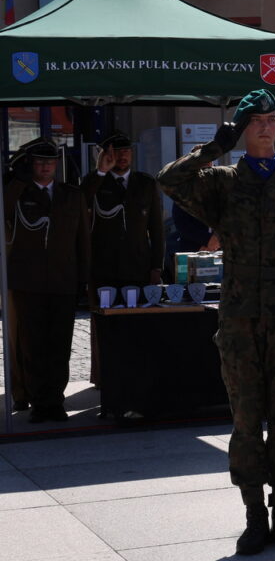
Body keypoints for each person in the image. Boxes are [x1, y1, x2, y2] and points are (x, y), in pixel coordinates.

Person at [158, 89, 275, 555]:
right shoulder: (222, 182)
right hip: (238, 318)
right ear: (240, 129)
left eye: (272, 119)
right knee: (247, 421)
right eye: (255, 120)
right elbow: (170, 180)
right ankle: (255, 516)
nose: (266, 126)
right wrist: (216, 146)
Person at [4, 138, 89, 422]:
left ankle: (55, 400)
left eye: (49, 162)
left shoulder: (72, 194)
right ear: (31, 165)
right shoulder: (18, 193)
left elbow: (83, 240)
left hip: (63, 280)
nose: (45, 167)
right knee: (33, 345)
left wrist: (83, 279)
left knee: (60, 345)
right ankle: (40, 401)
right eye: (39, 162)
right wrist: (17, 179)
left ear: (57, 164)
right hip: (28, 282)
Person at [82, 131, 164, 384]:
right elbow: (80, 201)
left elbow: (157, 229)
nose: (122, 156)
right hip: (103, 267)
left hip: (137, 266)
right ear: (107, 156)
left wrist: (156, 267)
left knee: (136, 323)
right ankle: (104, 375)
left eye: (126, 151)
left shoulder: (146, 183)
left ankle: (134, 372)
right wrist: (100, 173)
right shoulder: (95, 182)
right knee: (104, 325)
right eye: (116, 152)